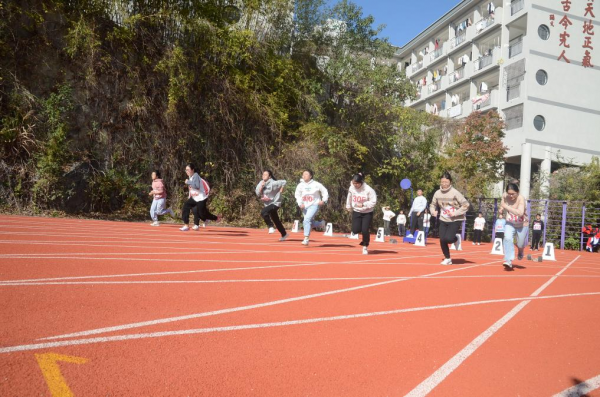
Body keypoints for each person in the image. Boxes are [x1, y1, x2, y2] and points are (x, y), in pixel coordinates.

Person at [429, 172, 470, 265]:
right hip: (443, 218)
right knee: (442, 239)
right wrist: (433, 211)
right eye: (442, 182)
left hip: (455, 219)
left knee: (448, 238)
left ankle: (455, 239)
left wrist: (455, 213)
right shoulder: (437, 193)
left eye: (446, 182)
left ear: (450, 182)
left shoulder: (455, 193)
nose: (444, 184)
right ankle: (447, 258)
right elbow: (432, 204)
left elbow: (466, 205)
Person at [180, 163, 220, 231]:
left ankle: (214, 218)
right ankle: (186, 225)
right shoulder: (190, 177)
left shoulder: (196, 176)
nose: (186, 171)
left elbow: (197, 186)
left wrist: (188, 182)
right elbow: (191, 189)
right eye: (186, 170)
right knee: (186, 206)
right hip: (195, 198)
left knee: (202, 214)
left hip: (201, 198)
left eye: (188, 170)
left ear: (192, 170)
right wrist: (190, 196)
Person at [294, 170, 328, 246]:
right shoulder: (300, 185)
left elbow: (324, 191)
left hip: (314, 204)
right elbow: (297, 195)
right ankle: (320, 224)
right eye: (303, 174)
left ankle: (306, 238)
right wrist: (300, 203)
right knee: (308, 222)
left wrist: (324, 200)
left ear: (310, 176)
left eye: (306, 174)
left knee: (306, 220)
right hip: (304, 206)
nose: (304, 175)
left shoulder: (316, 184)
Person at [346, 173, 377, 254]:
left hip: (367, 212)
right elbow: (349, 197)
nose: (355, 185)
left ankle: (365, 246)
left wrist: (364, 204)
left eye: (357, 183)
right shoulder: (352, 188)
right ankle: (360, 230)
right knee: (355, 230)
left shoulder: (369, 190)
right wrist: (348, 205)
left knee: (365, 230)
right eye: (354, 183)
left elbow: (373, 202)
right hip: (356, 211)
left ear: (361, 182)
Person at [500, 183, 529, 271]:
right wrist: (501, 209)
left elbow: (520, 213)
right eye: (509, 194)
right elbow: (502, 204)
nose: (511, 196)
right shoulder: (505, 196)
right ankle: (508, 260)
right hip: (510, 222)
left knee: (520, 243)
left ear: (518, 192)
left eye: (513, 194)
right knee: (507, 238)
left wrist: (506, 207)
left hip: (522, 224)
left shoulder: (521, 198)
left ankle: (520, 250)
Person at [255, 170, 288, 241]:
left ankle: (270, 226)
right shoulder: (261, 183)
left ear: (269, 176)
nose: (263, 176)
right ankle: (284, 234)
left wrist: (281, 190)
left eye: (266, 175)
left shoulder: (273, 183)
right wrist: (261, 187)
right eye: (263, 174)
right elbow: (257, 193)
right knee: (276, 220)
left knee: (263, 212)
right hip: (268, 204)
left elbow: (284, 182)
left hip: (275, 203)